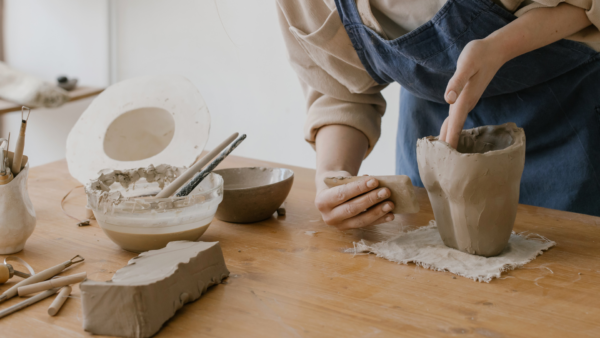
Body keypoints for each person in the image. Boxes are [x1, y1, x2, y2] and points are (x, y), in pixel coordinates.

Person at [276, 0, 600, 229]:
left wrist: (500, 46)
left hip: (565, 123)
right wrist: (332, 175)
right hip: (431, 134)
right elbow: (340, 87)